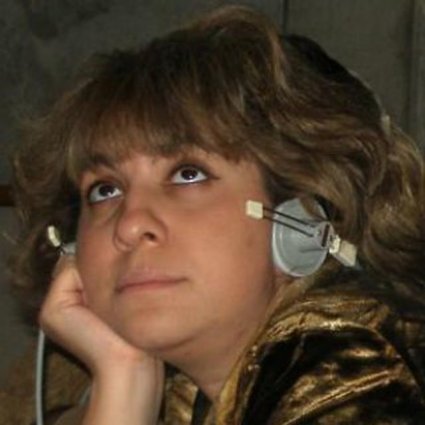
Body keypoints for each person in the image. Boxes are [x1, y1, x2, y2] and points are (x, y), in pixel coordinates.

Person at [8, 4, 425, 424]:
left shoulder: (356, 374)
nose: (130, 224)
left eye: (188, 174)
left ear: (301, 219)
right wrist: (122, 373)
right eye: (105, 190)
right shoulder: (194, 392)